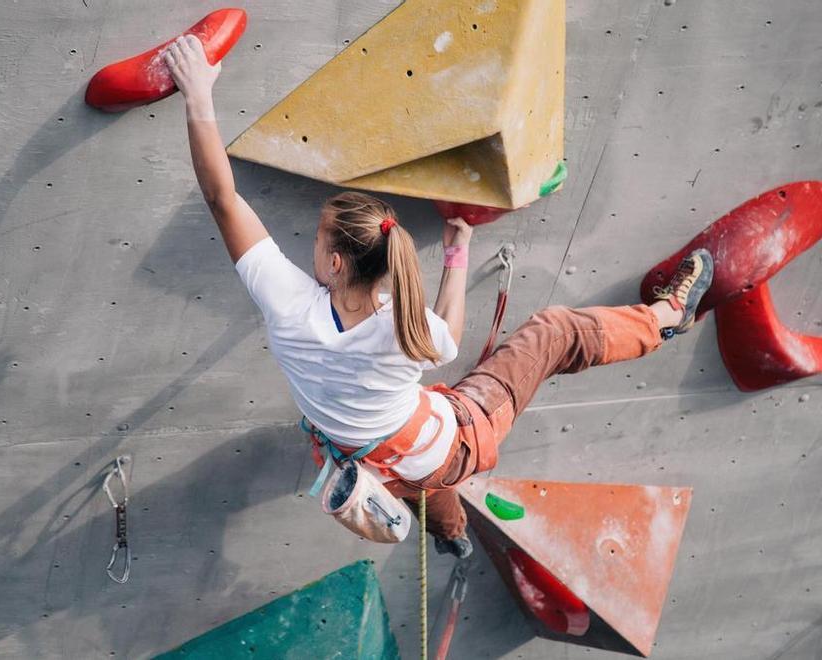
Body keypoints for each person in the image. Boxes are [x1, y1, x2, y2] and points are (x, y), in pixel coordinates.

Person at [163, 35, 714, 558]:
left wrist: (198, 93)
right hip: (441, 448)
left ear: (335, 264)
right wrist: (457, 253)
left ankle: (451, 536)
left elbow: (222, 196)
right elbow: (447, 335)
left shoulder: (289, 307)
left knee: (426, 479)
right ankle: (664, 317)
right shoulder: (403, 327)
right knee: (554, 332)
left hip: (385, 467)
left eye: (317, 238)